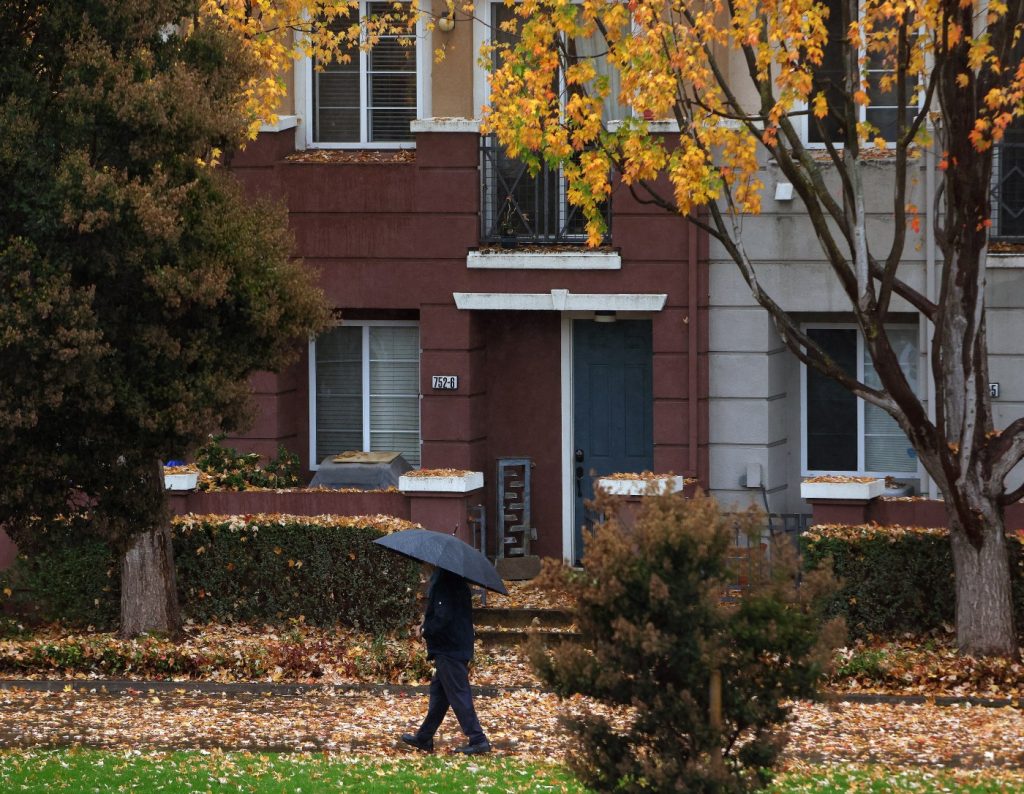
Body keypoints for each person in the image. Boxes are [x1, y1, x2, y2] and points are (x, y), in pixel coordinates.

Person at [401, 566, 491, 755]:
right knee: (440, 696)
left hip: (450, 648)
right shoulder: (454, 579)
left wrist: (425, 629)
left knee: (458, 694)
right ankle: (424, 737)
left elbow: (443, 617)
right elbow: (445, 612)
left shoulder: (444, 582)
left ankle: (478, 739)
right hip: (453, 646)